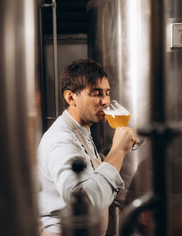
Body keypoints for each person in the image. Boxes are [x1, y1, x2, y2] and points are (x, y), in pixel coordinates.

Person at [37, 59, 137, 235]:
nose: (106, 101)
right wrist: (118, 151)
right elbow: (85, 203)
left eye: (107, 93)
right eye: (96, 93)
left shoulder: (81, 130)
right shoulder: (61, 141)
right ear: (70, 97)